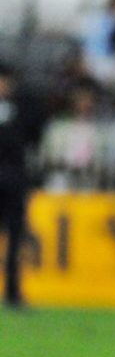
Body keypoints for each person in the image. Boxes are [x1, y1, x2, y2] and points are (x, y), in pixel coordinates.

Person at [0, 65, 47, 308]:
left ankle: (13, 293)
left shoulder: (22, 108)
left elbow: (36, 135)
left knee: (16, 239)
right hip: (10, 178)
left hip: (14, 181)